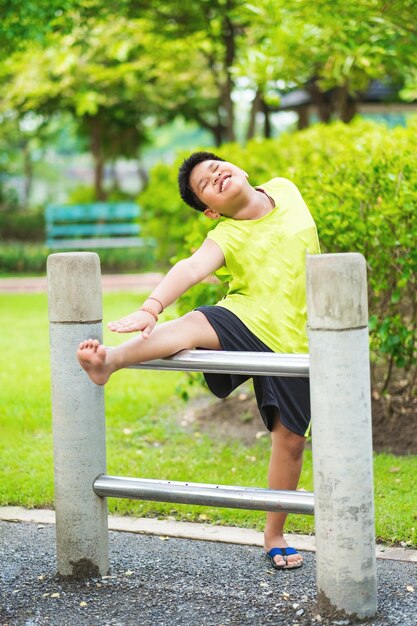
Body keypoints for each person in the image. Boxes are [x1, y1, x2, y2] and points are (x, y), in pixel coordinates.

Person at [77, 151, 320, 570]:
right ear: (211, 211)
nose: (217, 175)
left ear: (242, 169)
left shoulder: (286, 189)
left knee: (292, 442)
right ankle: (110, 362)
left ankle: (274, 533)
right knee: (194, 323)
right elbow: (190, 268)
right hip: (248, 317)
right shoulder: (225, 236)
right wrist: (151, 307)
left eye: (218, 168)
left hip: (299, 336)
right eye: (207, 183)